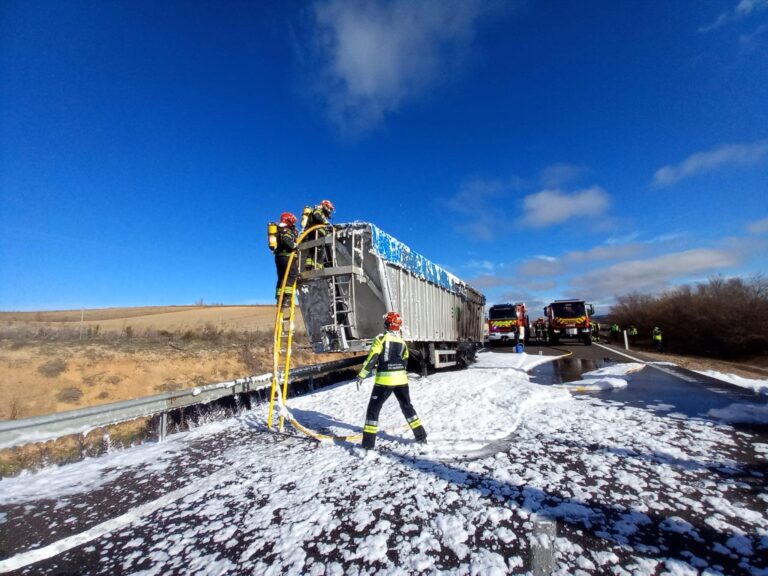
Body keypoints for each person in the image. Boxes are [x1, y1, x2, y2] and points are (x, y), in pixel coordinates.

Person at [356, 312, 427, 451]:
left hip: (384, 381)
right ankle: (421, 437)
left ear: (387, 324)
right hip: (401, 381)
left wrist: (362, 375)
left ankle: (367, 446)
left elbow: (372, 358)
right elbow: (405, 360)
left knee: (373, 410)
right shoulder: (402, 342)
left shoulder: (381, 339)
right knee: (407, 407)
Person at [273, 212, 298, 309]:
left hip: (279, 257)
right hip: (287, 257)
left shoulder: (279, 230)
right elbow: (288, 242)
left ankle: (279, 298)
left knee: (281, 278)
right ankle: (287, 299)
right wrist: (295, 245)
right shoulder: (286, 230)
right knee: (291, 276)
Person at [303, 199, 335, 270]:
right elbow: (317, 216)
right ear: (325, 206)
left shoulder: (321, 213)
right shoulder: (318, 210)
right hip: (316, 233)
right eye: (329, 209)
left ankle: (312, 266)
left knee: (316, 251)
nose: (330, 211)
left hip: (318, 234)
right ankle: (316, 267)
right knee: (318, 250)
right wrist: (327, 223)